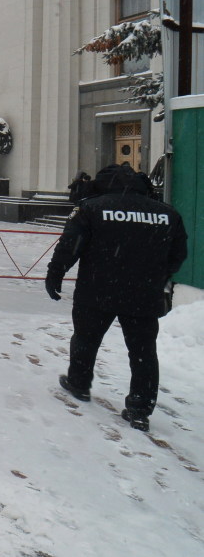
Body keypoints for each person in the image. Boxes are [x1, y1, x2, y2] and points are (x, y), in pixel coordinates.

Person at [44, 164, 188, 432]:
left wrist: (55, 274)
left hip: (97, 290)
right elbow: (178, 254)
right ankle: (140, 408)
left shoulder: (92, 208)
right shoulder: (167, 213)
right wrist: (156, 276)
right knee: (143, 353)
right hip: (144, 294)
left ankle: (79, 383)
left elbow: (70, 246)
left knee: (86, 339)